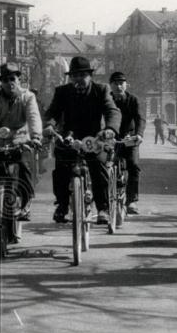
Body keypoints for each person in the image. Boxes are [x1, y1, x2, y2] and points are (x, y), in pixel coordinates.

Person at [44, 56, 121, 224]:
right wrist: (49, 125)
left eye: (82, 76)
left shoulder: (101, 90)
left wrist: (109, 129)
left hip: (94, 137)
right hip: (70, 136)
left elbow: (112, 111)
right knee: (61, 168)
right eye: (74, 76)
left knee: (98, 166)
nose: (78, 80)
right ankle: (62, 205)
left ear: (90, 76)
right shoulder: (62, 91)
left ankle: (103, 208)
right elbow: (52, 113)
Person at [0, 62, 43, 226]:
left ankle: (25, 203)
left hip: (21, 140)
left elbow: (33, 118)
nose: (9, 83)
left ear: (19, 79)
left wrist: (36, 137)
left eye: (12, 78)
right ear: (0, 82)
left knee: (24, 167)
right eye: (5, 80)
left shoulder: (28, 97)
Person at [108, 71, 144, 214]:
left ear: (126, 85)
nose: (118, 86)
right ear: (110, 85)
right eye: (115, 83)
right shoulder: (107, 99)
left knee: (133, 165)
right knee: (103, 165)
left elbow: (140, 118)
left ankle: (132, 200)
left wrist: (139, 135)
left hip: (129, 138)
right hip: (111, 137)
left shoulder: (133, 100)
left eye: (121, 83)